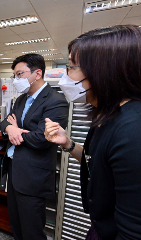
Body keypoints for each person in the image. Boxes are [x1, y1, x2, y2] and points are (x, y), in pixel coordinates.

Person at [44, 25, 141, 239]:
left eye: (71, 67)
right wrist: (68, 143)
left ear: (103, 71)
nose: (65, 76)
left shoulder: (132, 131)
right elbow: (96, 161)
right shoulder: (107, 114)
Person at [0, 54, 69, 240]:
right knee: (16, 223)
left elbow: (42, 138)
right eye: (15, 75)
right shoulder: (22, 99)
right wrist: (11, 127)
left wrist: (14, 130)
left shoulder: (56, 101)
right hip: (14, 170)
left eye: (20, 74)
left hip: (33, 176)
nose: (17, 80)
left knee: (32, 230)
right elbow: (4, 122)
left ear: (37, 73)